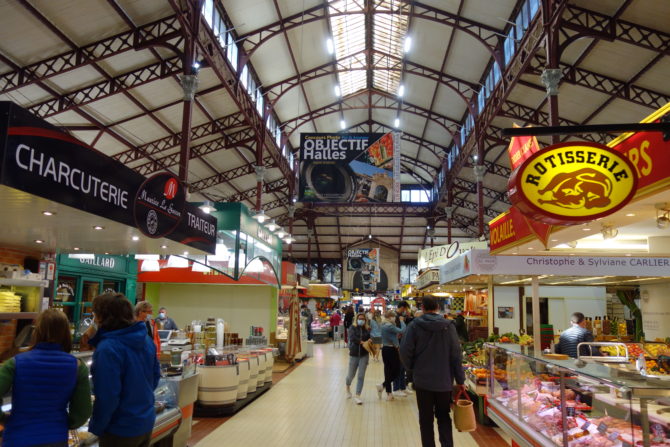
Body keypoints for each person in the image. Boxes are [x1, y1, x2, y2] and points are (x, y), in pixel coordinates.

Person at [0, 309, 92, 446]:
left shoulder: (15, 363)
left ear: (37, 332)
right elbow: (83, 411)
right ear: (66, 333)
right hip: (55, 438)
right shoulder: (78, 367)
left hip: (17, 437)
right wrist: (66, 423)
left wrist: (4, 419)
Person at [88, 293, 161, 447]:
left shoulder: (108, 348)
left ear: (105, 316)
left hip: (119, 429)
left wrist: (97, 427)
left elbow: (108, 395)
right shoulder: (146, 340)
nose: (94, 319)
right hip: (145, 422)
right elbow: (155, 377)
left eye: (95, 314)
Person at [400, 297, 466, 447]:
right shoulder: (449, 326)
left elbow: (404, 351)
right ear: (437, 307)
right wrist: (460, 380)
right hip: (444, 382)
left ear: (422, 308)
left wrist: (412, 369)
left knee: (425, 419)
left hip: (422, 382)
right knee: (443, 417)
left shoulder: (414, 326)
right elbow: (456, 355)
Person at [376, 310, 406, 401]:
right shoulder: (389, 326)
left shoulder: (384, 325)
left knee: (388, 370)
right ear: (389, 317)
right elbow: (403, 330)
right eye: (394, 316)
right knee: (396, 370)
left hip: (386, 349)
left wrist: (396, 337)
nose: (395, 318)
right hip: (391, 350)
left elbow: (392, 336)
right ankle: (384, 386)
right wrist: (402, 321)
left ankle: (388, 392)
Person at [345, 312, 371, 405]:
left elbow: (370, 338)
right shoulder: (352, 327)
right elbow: (352, 338)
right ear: (356, 319)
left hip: (364, 355)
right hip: (354, 354)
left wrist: (370, 341)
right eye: (360, 318)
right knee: (351, 375)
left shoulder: (367, 329)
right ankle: (347, 387)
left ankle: (357, 395)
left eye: (363, 319)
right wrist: (361, 342)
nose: (361, 320)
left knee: (361, 376)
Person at [393, 301, 413, 396]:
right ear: (402, 307)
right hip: (397, 344)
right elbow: (399, 331)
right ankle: (396, 389)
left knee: (403, 366)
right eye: (405, 308)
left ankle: (402, 387)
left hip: (403, 343)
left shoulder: (401, 316)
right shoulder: (395, 316)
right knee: (398, 366)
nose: (406, 311)